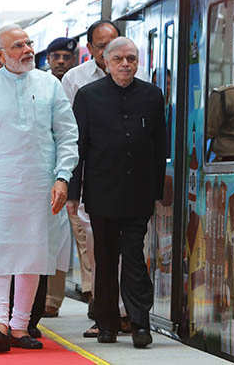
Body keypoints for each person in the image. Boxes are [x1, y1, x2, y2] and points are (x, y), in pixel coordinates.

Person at [0, 23, 78, 353]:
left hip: (40, 184)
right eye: (18, 45)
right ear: (0, 55)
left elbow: (67, 136)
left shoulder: (50, 85)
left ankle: (20, 325)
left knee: (32, 253)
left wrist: (63, 177)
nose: (27, 50)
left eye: (28, 43)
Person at [68, 36, 166, 348]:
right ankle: (106, 323)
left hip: (138, 193)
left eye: (132, 59)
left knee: (134, 257)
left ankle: (140, 323)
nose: (126, 64)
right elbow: (78, 147)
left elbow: (159, 145)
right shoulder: (87, 96)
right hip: (101, 192)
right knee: (105, 259)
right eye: (119, 59)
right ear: (106, 63)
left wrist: (157, 191)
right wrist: (73, 192)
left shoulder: (152, 96)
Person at [60, 19, 130, 338]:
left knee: (130, 250)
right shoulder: (75, 81)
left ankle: (127, 311)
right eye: (101, 46)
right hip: (91, 181)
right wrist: (71, 186)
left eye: (113, 43)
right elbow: (69, 136)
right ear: (90, 49)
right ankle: (104, 313)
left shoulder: (133, 73)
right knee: (97, 252)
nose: (109, 51)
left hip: (127, 180)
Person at [43, 36, 77, 318]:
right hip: (38, 172)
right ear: (48, 59)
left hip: (69, 169)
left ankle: (53, 298)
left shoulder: (80, 84)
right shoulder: (39, 85)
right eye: (56, 57)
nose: (61, 62)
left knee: (61, 237)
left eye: (66, 57)